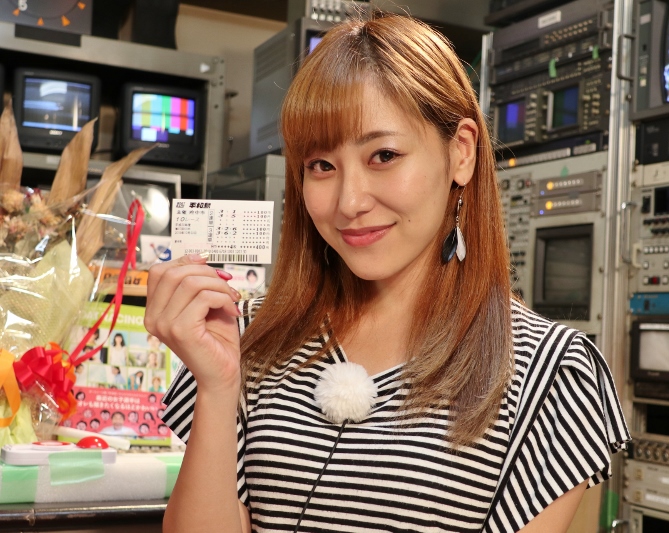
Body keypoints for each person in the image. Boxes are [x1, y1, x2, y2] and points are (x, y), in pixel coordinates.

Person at [146, 12, 629, 533]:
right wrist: (217, 387)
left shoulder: (551, 374)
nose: (349, 202)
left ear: (461, 152)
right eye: (321, 166)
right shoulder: (245, 335)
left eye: (383, 155)